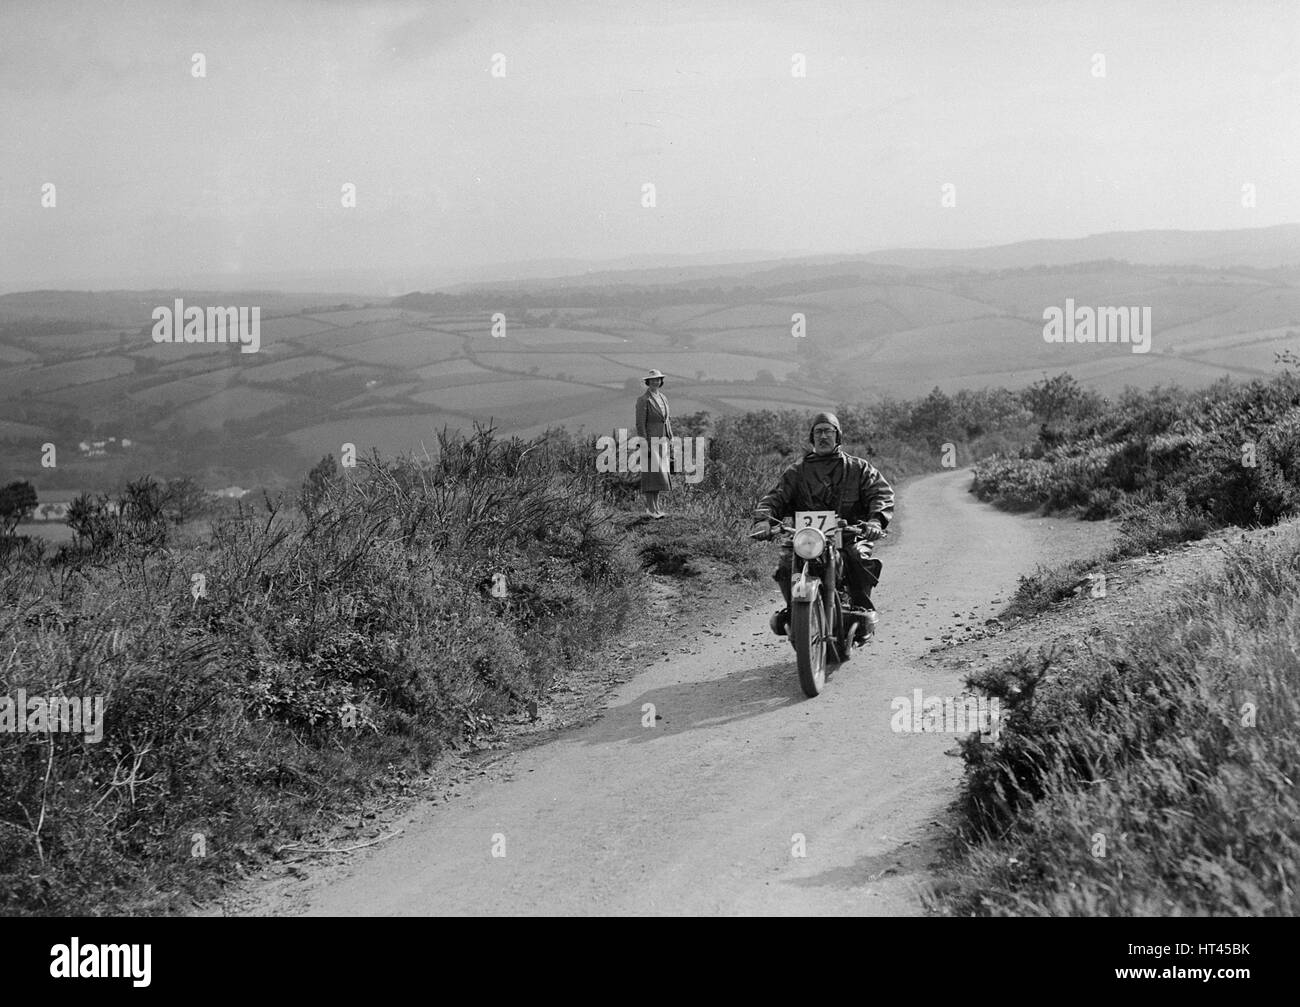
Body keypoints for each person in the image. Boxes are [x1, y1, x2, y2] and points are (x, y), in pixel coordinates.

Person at [751, 411, 894, 637]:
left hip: (848, 536)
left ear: (838, 436)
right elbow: (776, 497)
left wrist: (876, 520)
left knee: (857, 557)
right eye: (818, 432)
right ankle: (795, 608)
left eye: (829, 431)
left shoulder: (859, 468)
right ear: (812, 437)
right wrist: (763, 520)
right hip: (807, 539)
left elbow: (881, 494)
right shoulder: (797, 471)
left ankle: (860, 606)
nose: (823, 436)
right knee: (787, 564)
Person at [635, 368, 673, 518]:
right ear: (648, 382)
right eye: (652, 380)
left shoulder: (663, 397)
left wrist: (670, 438)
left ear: (661, 381)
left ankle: (657, 508)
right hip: (650, 441)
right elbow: (640, 423)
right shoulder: (643, 400)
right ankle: (651, 509)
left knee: (659, 476)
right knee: (650, 476)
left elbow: (667, 420)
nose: (655, 382)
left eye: (658, 379)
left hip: (662, 441)